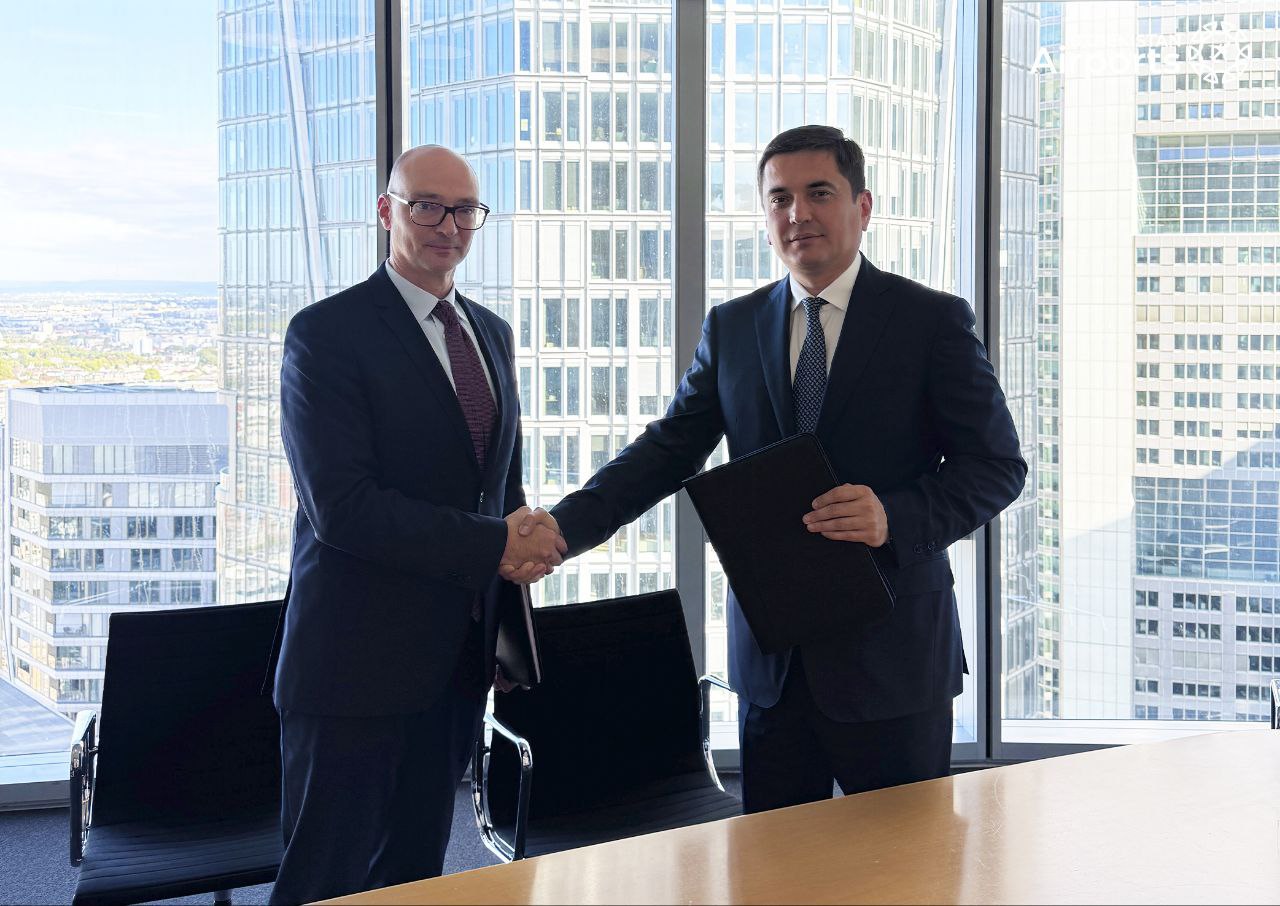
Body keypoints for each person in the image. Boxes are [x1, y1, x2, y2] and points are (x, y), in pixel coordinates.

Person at [518, 125, 1026, 814]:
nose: (798, 213)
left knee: (909, 863)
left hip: (895, 659)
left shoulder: (930, 321)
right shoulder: (733, 327)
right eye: (780, 198)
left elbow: (997, 466)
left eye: (819, 193)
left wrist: (893, 515)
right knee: (772, 864)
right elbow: (668, 450)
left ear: (863, 206)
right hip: (773, 666)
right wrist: (561, 529)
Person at [268, 145, 563, 904]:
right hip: (353, 670)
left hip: (456, 665)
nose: (447, 225)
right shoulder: (326, 334)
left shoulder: (491, 333)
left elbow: (499, 492)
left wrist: (508, 615)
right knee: (324, 882)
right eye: (426, 205)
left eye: (464, 210)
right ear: (387, 211)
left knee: (414, 879)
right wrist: (498, 543)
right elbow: (343, 508)